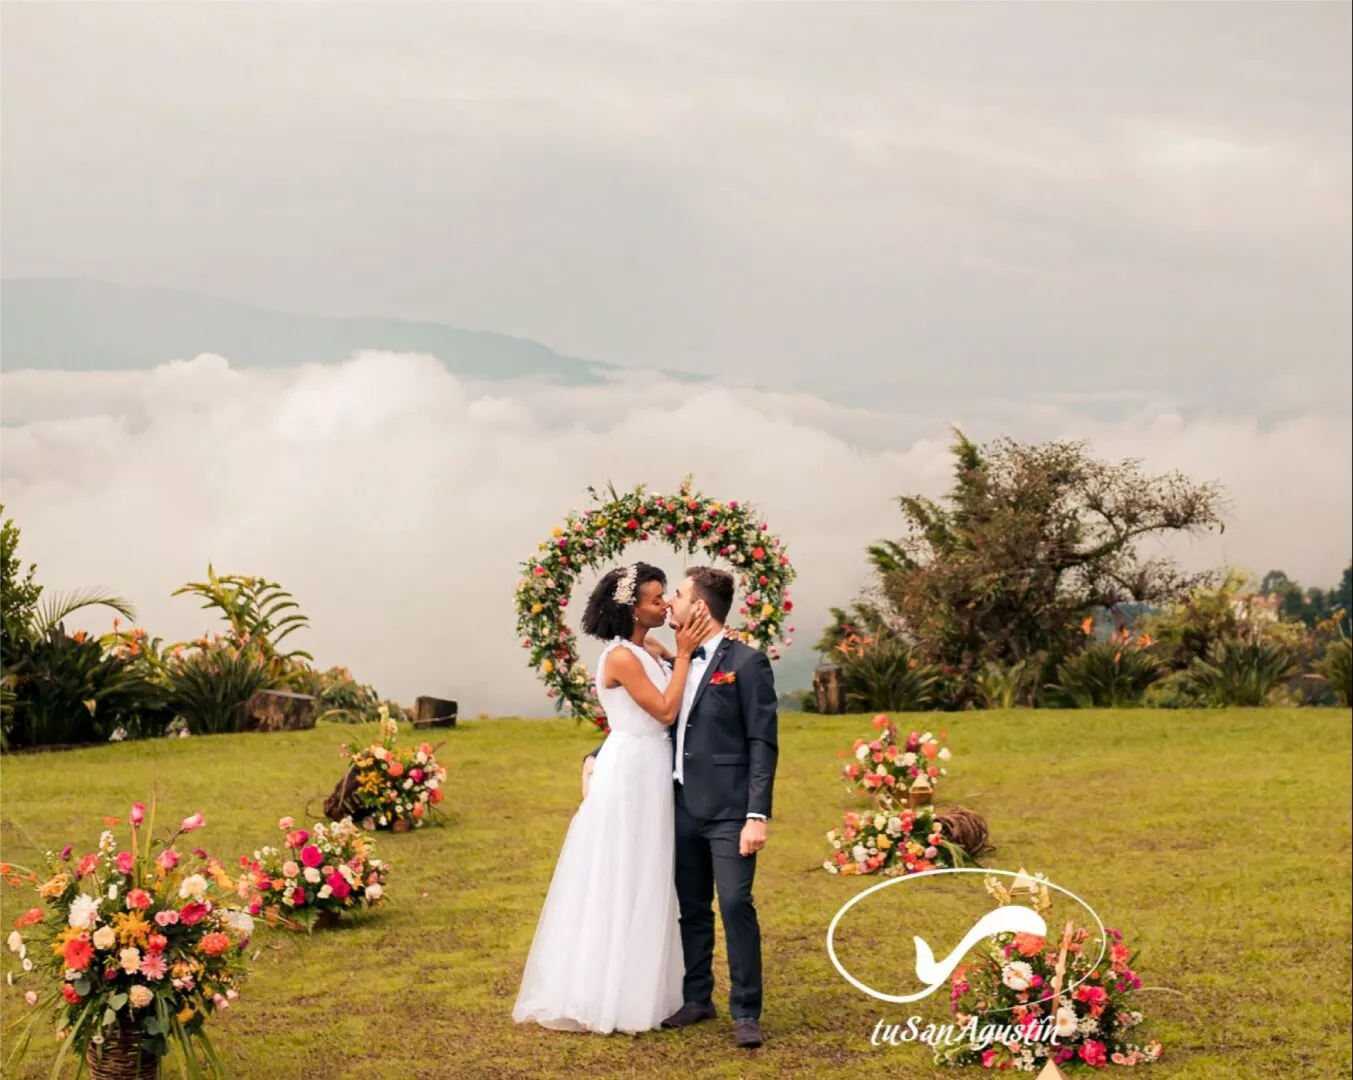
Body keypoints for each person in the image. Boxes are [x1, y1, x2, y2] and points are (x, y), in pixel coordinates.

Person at [513, 562, 715, 1035]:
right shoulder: (621, 657)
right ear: (632, 609)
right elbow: (665, 710)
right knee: (622, 871)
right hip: (630, 771)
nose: (663, 605)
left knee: (649, 872)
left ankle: (643, 987)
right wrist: (684, 655)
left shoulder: (646, 649)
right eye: (655, 599)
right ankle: (603, 992)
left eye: (665, 596)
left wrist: (680, 652)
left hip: (652, 768)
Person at [581, 566, 778, 1049]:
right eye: (665, 596)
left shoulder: (746, 662)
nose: (671, 602)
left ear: (700, 608)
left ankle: (746, 1011)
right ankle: (696, 998)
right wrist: (597, 756)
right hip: (677, 804)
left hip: (730, 809)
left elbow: (762, 742)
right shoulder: (669, 661)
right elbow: (645, 723)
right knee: (691, 907)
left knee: (734, 903)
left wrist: (756, 815)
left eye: (679, 595)